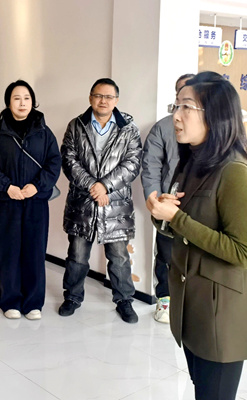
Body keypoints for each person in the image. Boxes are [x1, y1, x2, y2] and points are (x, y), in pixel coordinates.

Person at [146, 72, 247, 400]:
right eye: (176, 106)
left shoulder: (235, 172)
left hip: (220, 315)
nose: (176, 116)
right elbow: (182, 224)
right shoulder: (193, 162)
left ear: (215, 115)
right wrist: (162, 214)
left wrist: (177, 218)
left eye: (186, 107)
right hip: (194, 306)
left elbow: (243, 252)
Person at [59, 78, 142, 323]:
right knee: (77, 255)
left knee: (119, 257)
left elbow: (132, 163)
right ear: (90, 98)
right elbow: (69, 159)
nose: (103, 100)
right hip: (82, 202)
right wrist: (92, 186)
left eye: (108, 97)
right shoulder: (76, 125)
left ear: (116, 100)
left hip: (115, 203)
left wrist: (104, 186)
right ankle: (72, 297)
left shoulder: (129, 128)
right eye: (98, 95)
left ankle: (124, 300)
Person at [0, 80, 61, 320]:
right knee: (9, 251)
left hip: (36, 201)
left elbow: (54, 163)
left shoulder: (44, 133)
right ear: (8, 103)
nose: (22, 103)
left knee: (35, 252)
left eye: (26, 98)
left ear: (33, 102)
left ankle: (33, 303)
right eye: (16, 98)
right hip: (8, 202)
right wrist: (7, 187)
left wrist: (37, 186)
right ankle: (11, 301)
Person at [141, 73, 194, 323]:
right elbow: (150, 166)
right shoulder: (163, 127)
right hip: (168, 202)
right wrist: (153, 199)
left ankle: (191, 303)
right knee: (165, 254)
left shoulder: (213, 126)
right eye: (181, 93)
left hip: (199, 203)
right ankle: (164, 299)